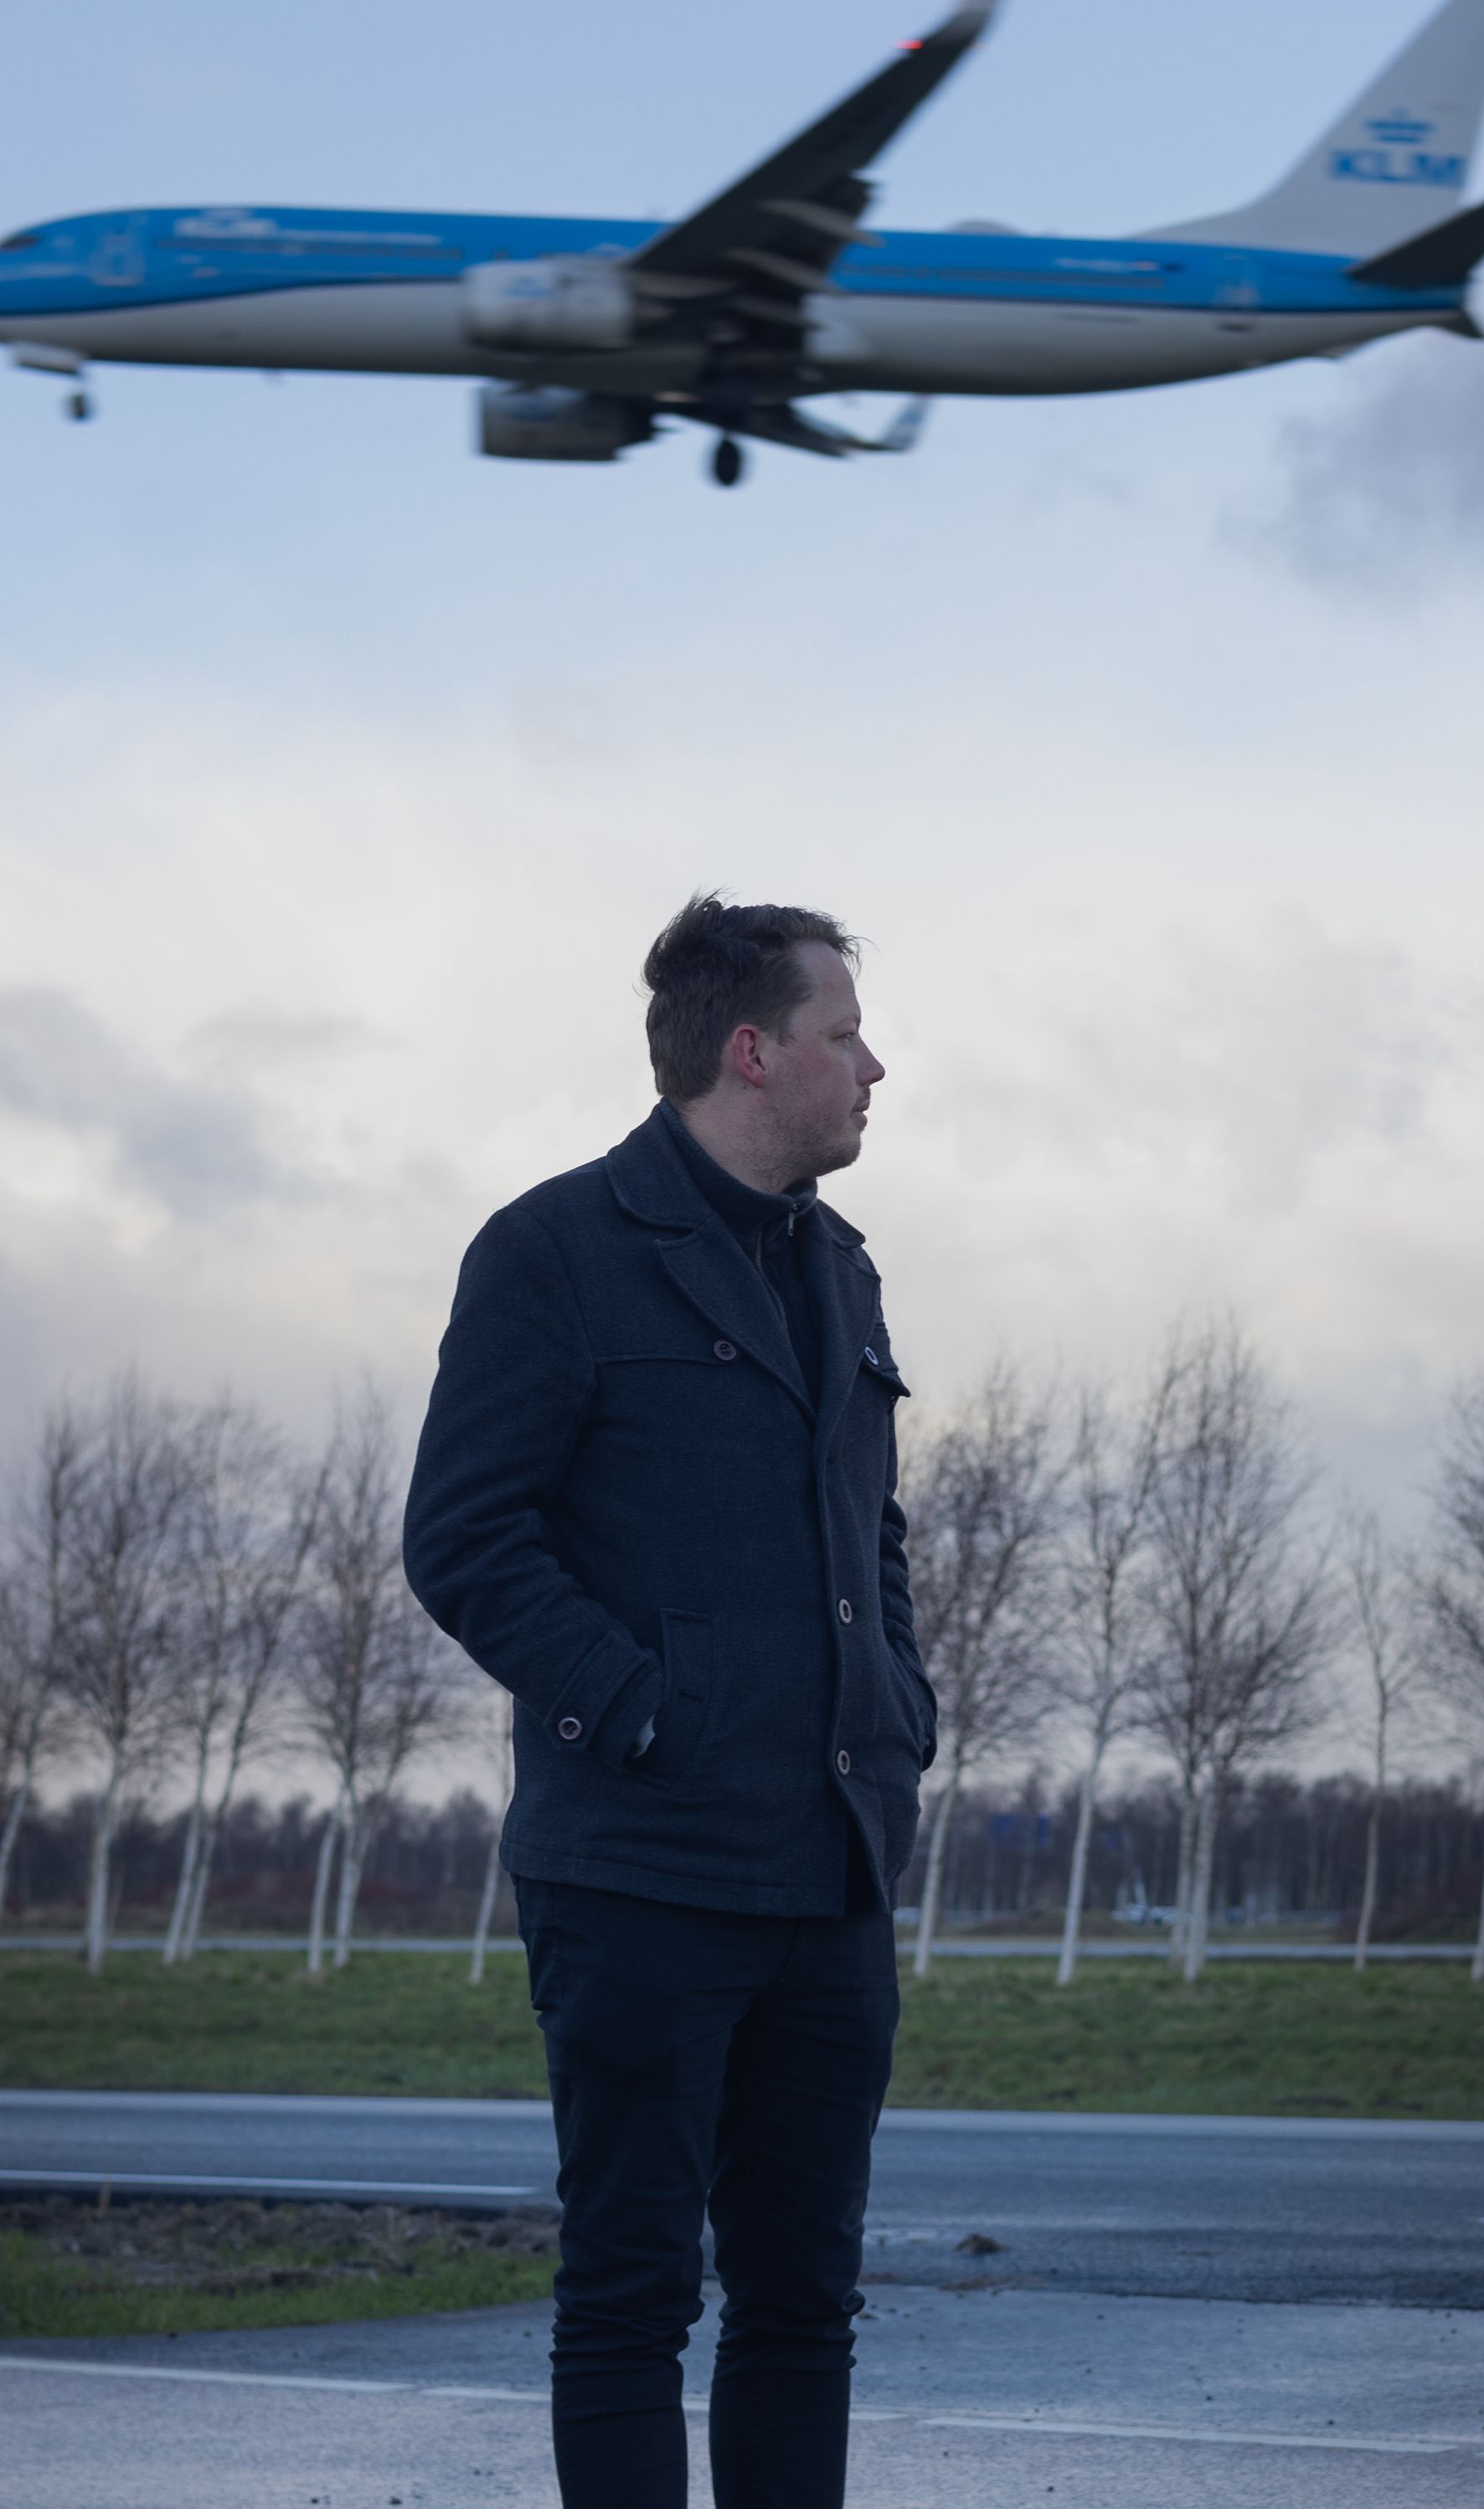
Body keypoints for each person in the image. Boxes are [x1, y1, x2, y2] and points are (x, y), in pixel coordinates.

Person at [402, 894, 932, 2509]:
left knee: (804, 2308)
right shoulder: (557, 1251)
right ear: (753, 1049)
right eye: (846, 1035)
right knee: (631, 2302)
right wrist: (637, 1711)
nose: (877, 1066)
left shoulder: (841, 1269)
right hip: (638, 1872)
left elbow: (875, 1541)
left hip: (827, 1873)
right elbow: (464, 1538)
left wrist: (899, 1710)